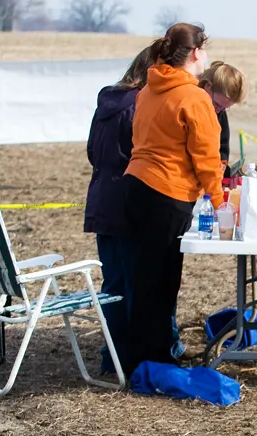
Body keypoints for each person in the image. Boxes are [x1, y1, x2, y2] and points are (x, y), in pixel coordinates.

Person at [120, 22, 223, 377]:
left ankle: (140, 354)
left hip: (135, 186)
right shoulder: (194, 97)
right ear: (196, 53)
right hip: (168, 192)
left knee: (142, 276)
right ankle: (155, 360)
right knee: (163, 279)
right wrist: (219, 198)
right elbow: (207, 156)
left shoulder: (147, 91)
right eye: (205, 50)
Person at [84, 46, 155, 375]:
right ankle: (130, 358)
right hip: (129, 204)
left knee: (113, 285)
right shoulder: (141, 104)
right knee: (134, 284)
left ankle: (111, 356)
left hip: (102, 202)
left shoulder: (108, 102)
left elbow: (91, 151)